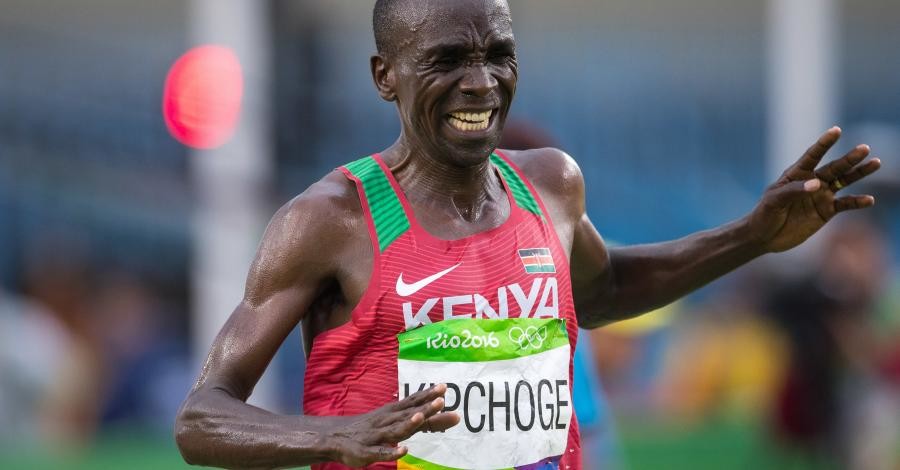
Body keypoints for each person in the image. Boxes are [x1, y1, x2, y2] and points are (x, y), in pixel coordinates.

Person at [174, 0, 882, 468]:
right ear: (385, 76)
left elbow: (604, 292)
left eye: (498, 54)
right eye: (448, 60)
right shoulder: (331, 219)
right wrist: (336, 435)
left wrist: (752, 235)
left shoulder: (550, 184)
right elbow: (201, 420)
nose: (482, 83)